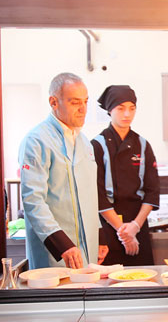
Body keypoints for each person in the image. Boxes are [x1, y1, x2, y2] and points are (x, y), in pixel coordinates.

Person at [19, 73, 107, 269]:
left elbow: (90, 196)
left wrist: (100, 237)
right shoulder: (37, 141)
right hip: (56, 254)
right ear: (53, 102)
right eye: (75, 102)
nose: (83, 109)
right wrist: (62, 245)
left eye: (85, 102)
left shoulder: (85, 143)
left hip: (87, 251)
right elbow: (33, 200)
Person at [92, 85, 160, 266]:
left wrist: (135, 227)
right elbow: (97, 195)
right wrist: (124, 232)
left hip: (138, 223)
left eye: (132, 108)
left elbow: (152, 190)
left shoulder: (143, 145)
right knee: (109, 284)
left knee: (144, 282)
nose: (127, 114)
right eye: (120, 108)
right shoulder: (96, 145)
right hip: (108, 228)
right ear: (109, 110)